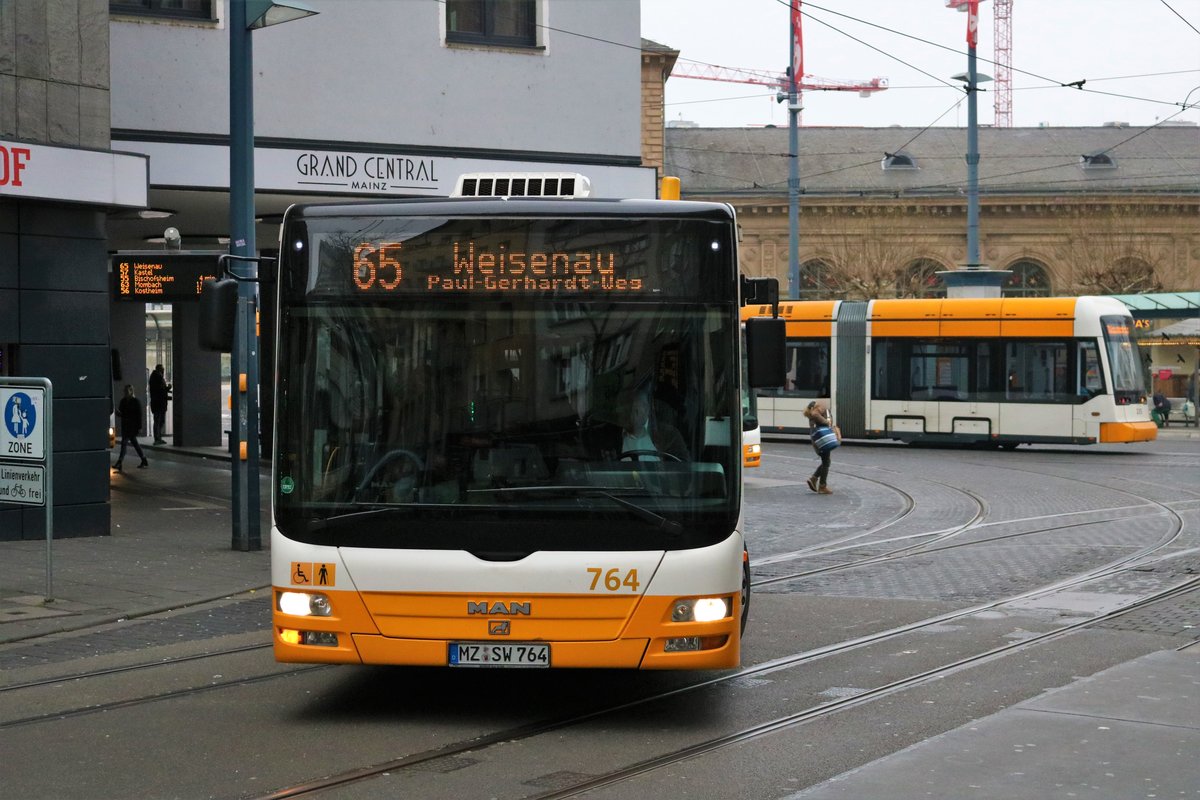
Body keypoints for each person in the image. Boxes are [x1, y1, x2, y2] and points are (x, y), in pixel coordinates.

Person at [616, 393, 689, 461]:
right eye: (628, 405)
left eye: (639, 405)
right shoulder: (611, 436)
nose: (634, 410)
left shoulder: (670, 435)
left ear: (648, 408)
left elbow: (684, 466)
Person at [113, 384, 148, 471]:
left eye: (126, 391)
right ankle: (143, 459)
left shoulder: (136, 401)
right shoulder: (123, 401)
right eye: (124, 391)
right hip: (125, 425)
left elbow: (139, 415)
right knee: (134, 443)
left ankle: (120, 462)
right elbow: (122, 413)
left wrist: (139, 427)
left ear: (131, 391)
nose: (125, 393)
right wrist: (118, 413)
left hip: (132, 426)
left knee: (124, 443)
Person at [804, 400, 836, 495]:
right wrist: (827, 422)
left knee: (826, 461)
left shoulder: (811, 415)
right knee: (826, 462)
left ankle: (815, 480)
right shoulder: (816, 413)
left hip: (819, 440)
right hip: (823, 440)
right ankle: (821, 485)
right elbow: (816, 414)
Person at [148, 364, 171, 444]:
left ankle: (158, 438)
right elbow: (161, 390)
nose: (164, 371)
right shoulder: (158, 377)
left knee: (158, 421)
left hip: (157, 403)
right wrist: (168, 388)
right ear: (160, 370)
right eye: (163, 369)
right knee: (159, 421)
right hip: (159, 404)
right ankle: (157, 438)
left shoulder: (154, 377)